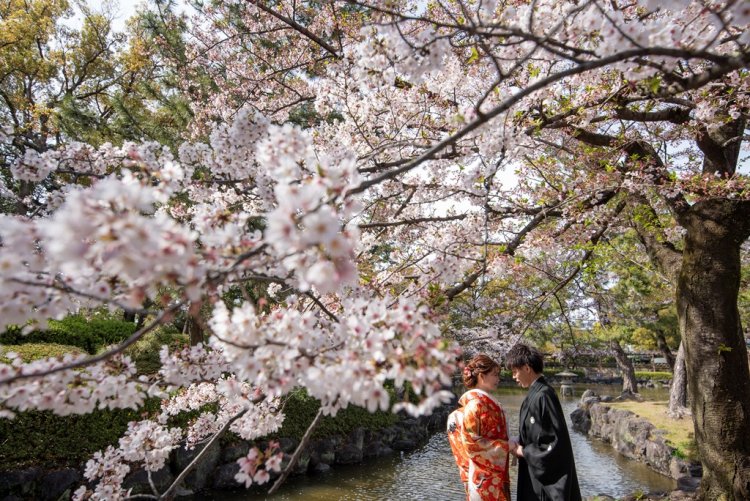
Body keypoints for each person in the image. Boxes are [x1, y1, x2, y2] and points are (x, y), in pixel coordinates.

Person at [506, 343, 582, 501]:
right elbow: (534, 433)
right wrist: (518, 439)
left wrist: (522, 451)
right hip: (533, 475)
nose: (513, 377)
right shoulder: (537, 393)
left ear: (527, 368)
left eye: (515, 371)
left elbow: (553, 444)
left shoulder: (543, 395)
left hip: (545, 484)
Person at [447, 354, 511, 501]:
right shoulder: (476, 405)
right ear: (481, 377)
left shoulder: (478, 404)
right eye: (495, 375)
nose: (498, 379)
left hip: (487, 475)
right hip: (483, 477)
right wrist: (508, 446)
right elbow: (472, 444)